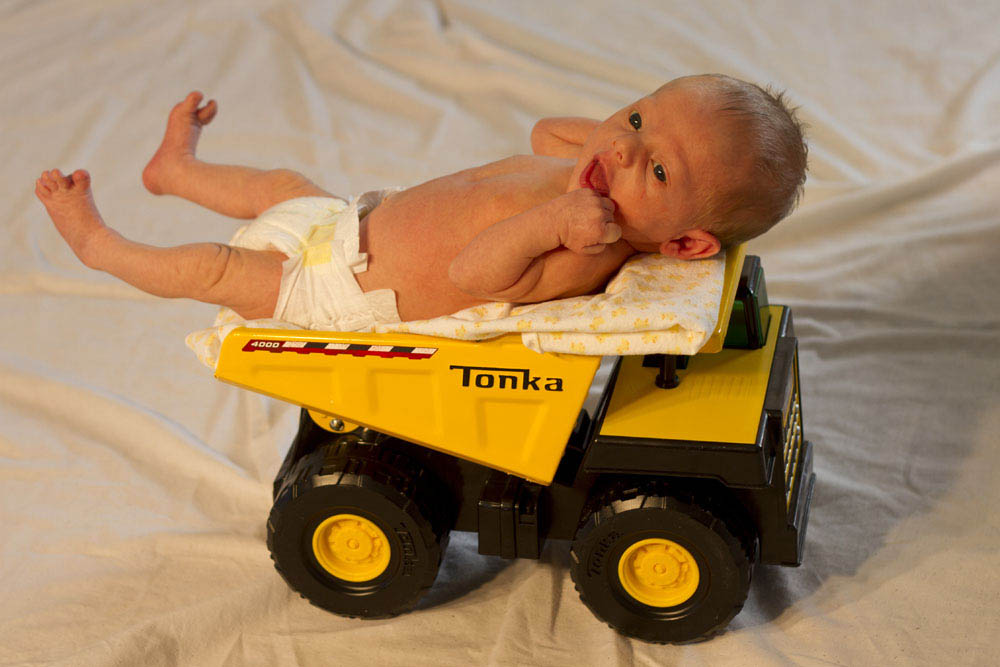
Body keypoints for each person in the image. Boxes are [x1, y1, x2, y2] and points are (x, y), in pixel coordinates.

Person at [34, 74, 806, 329]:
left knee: (214, 267)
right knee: (279, 186)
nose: (627, 147)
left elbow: (478, 273)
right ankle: (175, 171)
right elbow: (542, 131)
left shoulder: (588, 246)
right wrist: (612, 141)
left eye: (660, 172)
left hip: (339, 289)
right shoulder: (593, 172)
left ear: (685, 244)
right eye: (638, 115)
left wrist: (552, 220)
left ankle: (99, 245)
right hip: (347, 221)